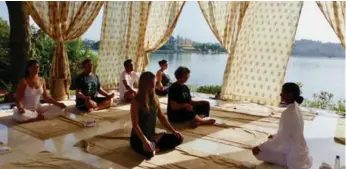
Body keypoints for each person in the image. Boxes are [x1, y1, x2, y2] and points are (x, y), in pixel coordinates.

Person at [252, 82, 312, 169]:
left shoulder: (288, 113)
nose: (280, 94)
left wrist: (260, 147)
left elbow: (281, 138)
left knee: (258, 153)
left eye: (283, 92)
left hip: (293, 157)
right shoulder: (296, 108)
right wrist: (274, 137)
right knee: (271, 139)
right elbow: (287, 133)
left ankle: (284, 161)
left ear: (290, 95)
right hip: (300, 150)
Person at [130, 71, 183, 159]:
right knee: (149, 153)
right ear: (144, 84)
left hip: (151, 135)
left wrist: (173, 131)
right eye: (151, 83)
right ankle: (154, 145)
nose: (153, 86)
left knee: (179, 138)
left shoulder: (155, 99)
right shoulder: (136, 101)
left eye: (154, 83)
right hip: (138, 138)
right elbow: (135, 125)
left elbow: (161, 117)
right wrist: (145, 141)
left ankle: (155, 144)